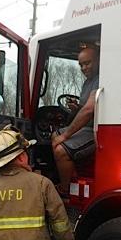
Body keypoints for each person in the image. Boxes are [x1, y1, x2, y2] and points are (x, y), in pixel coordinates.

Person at [51, 46, 100, 195]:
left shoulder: (102, 78)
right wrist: (77, 107)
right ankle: (73, 177)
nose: (84, 68)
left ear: (98, 60)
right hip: (87, 127)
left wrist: (65, 136)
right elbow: (85, 108)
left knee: (60, 150)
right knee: (54, 135)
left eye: (88, 63)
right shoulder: (88, 82)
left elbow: (89, 110)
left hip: (96, 130)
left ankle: (66, 190)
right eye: (81, 65)